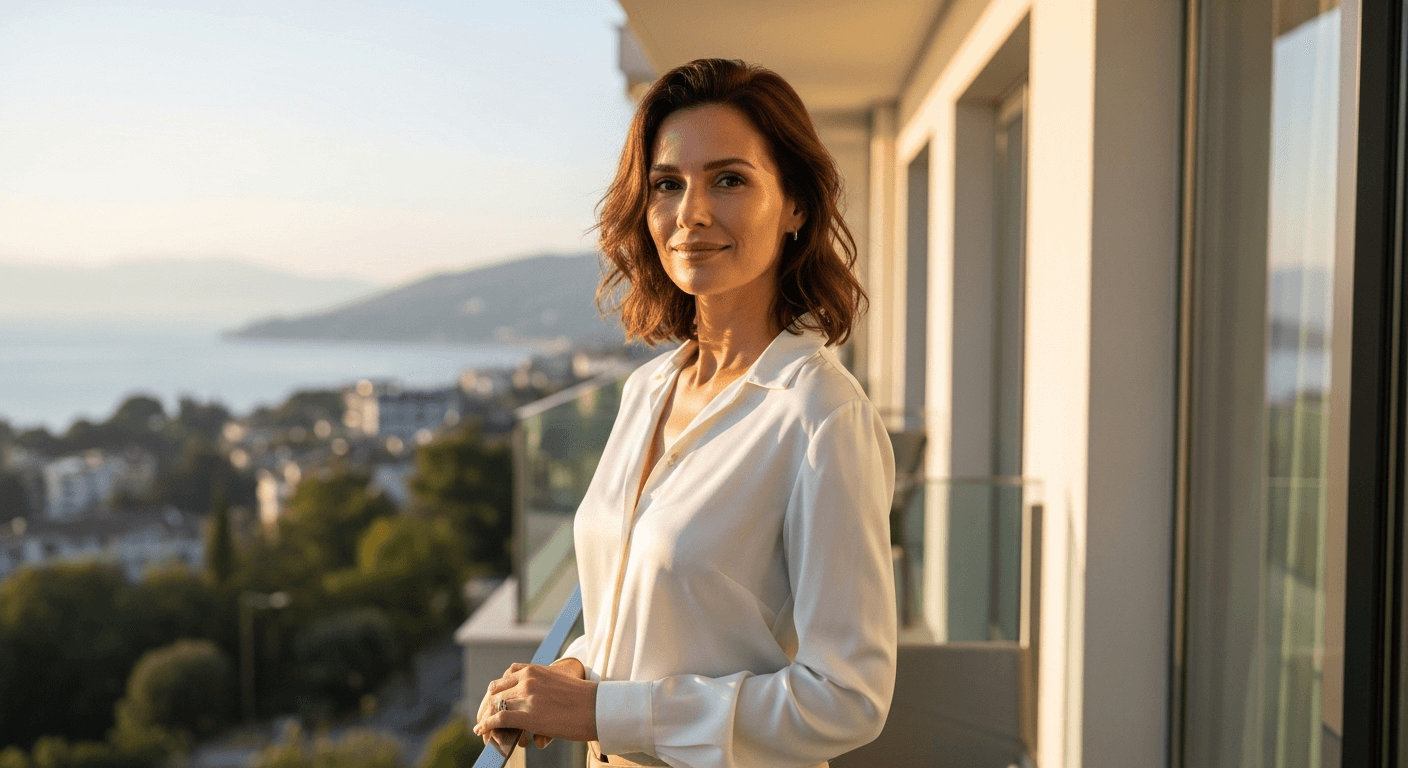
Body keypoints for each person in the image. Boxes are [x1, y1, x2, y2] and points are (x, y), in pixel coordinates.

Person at [472, 58, 897, 768]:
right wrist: (573, 672)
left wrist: (604, 710)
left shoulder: (822, 417)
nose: (691, 212)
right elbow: (640, 611)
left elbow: (847, 699)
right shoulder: (647, 390)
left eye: (729, 179)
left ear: (794, 205)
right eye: (668, 184)